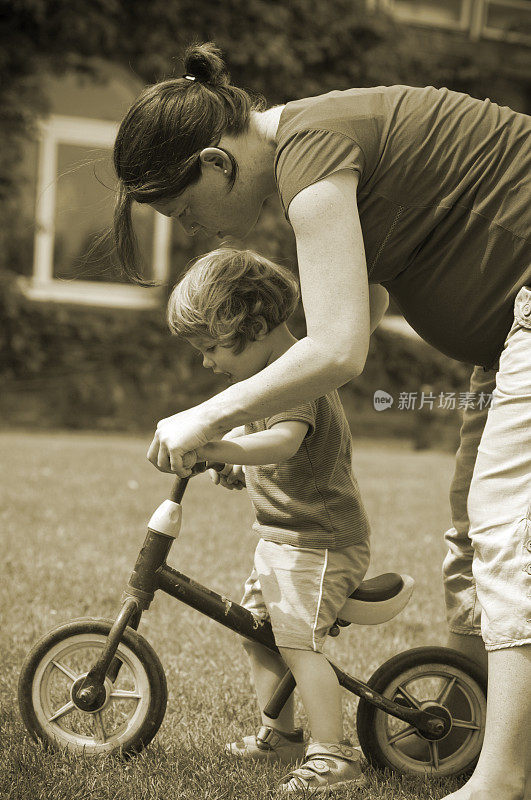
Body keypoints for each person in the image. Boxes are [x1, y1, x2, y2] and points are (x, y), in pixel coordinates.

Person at [112, 43, 531, 800]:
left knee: (508, 528)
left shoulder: (310, 153)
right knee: (475, 534)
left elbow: (336, 350)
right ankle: (467, 725)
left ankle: (500, 781)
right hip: (507, 339)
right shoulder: (318, 152)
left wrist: (206, 416)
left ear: (215, 162)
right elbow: (355, 323)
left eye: (183, 211)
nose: (200, 232)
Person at [165, 246, 374, 794]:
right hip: (285, 541)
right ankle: (279, 735)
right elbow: (265, 445)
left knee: (297, 644)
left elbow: (283, 443)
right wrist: (233, 461)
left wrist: (218, 446)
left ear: (254, 325)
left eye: (212, 348)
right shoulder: (269, 380)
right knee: (257, 635)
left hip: (322, 542)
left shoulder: (296, 374)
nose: (207, 363)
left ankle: (333, 754)